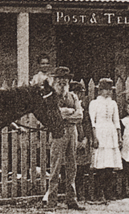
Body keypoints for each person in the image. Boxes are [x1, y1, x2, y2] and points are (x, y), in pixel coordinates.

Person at [42, 67, 85, 210]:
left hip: (72, 133)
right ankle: (52, 201)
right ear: (54, 82)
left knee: (72, 166)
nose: (62, 84)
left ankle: (71, 199)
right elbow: (52, 115)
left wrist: (64, 114)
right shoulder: (50, 96)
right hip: (57, 133)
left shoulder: (73, 97)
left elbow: (80, 116)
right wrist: (66, 112)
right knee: (55, 166)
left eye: (64, 82)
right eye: (59, 81)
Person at [89, 78, 123, 203]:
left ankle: (109, 191)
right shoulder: (94, 103)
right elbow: (92, 121)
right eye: (105, 90)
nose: (107, 92)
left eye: (109, 90)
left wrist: (119, 137)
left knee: (110, 165)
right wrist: (94, 137)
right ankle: (99, 193)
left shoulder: (113, 103)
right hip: (100, 132)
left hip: (111, 133)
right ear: (99, 90)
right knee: (101, 165)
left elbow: (116, 120)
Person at [70, 80, 94, 201]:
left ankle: (83, 193)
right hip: (71, 140)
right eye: (75, 92)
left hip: (83, 139)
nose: (77, 95)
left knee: (83, 168)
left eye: (79, 93)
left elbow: (87, 125)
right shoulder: (68, 107)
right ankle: (73, 194)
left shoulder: (84, 108)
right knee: (71, 168)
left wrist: (85, 139)